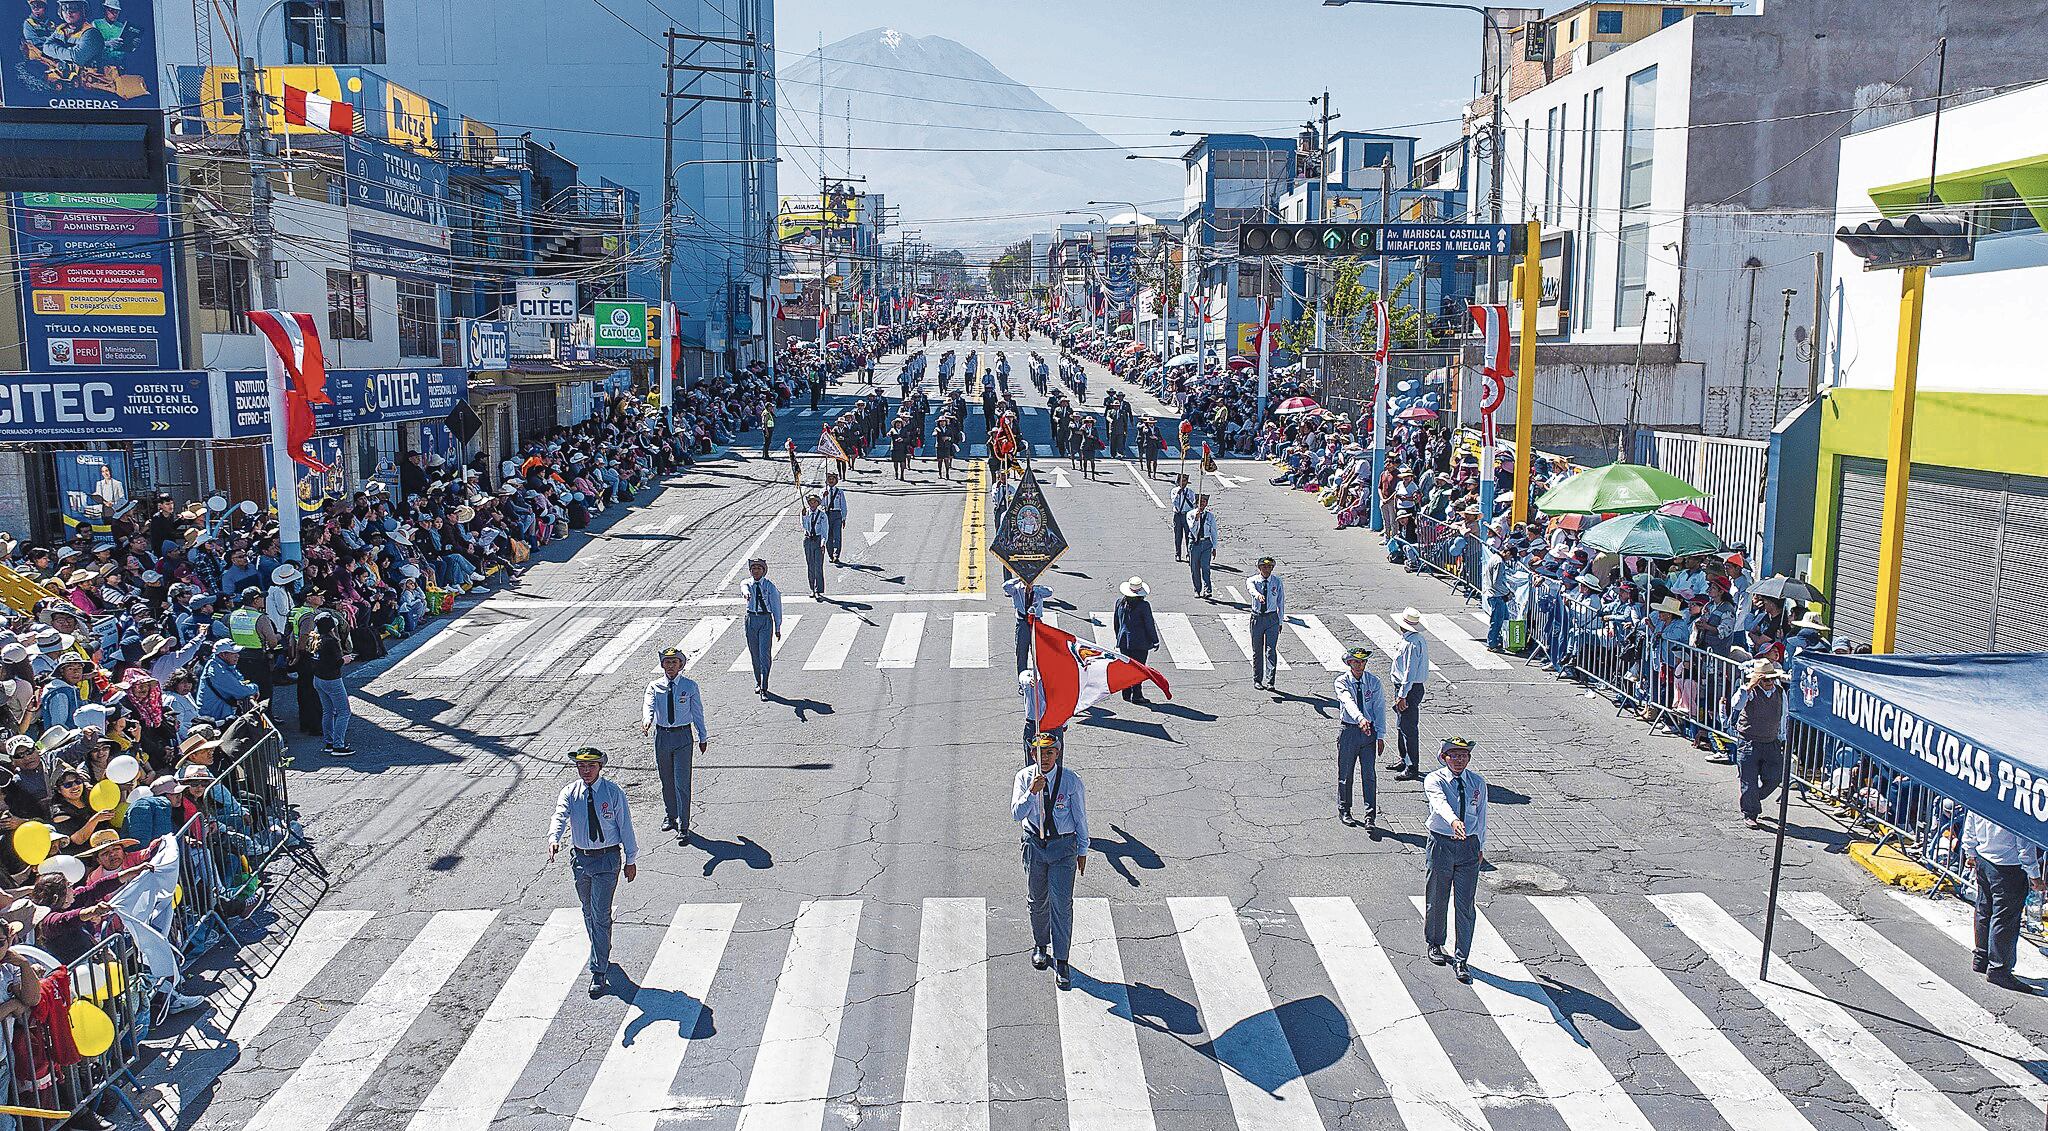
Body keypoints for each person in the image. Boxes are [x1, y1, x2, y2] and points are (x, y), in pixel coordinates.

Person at [548, 747, 637, 999]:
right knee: (588, 910)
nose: (585, 771)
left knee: (599, 913)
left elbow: (625, 827)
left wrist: (631, 858)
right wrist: (554, 838)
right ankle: (601, 946)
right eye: (581, 767)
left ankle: (598, 971)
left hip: (607, 859)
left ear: (600, 767)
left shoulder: (613, 793)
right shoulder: (570, 792)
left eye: (590, 766)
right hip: (581, 860)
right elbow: (560, 816)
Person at [1012, 732, 1088, 991]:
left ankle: (1062, 958)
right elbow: (1016, 814)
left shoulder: (1070, 781)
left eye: (1050, 753)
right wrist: (1032, 793)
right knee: (1037, 899)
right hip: (1035, 844)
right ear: (1032, 754)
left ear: (1057, 753)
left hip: (1063, 847)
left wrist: (1083, 850)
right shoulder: (1024, 778)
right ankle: (1040, 944)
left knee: (1062, 903)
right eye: (1039, 753)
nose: (1044, 758)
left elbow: (1080, 817)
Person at [1423, 737, 1486, 984]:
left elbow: (1481, 815)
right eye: (1454, 755)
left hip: (1468, 847)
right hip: (1442, 843)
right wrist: (1453, 821)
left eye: (1464, 756)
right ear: (1444, 757)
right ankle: (1435, 943)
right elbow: (1438, 803)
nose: (1459, 760)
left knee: (1465, 905)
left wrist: (1480, 844)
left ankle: (1462, 958)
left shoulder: (1477, 783)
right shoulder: (1435, 779)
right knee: (1437, 897)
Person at [1963, 811, 2044, 993]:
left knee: (1984, 910)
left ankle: (1982, 957)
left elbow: (1970, 822)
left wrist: (1970, 850)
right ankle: (1999, 969)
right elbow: (2024, 844)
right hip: (2008, 867)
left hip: (1984, 859)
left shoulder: (1986, 795)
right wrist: (2035, 875)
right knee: (2004, 919)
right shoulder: (2016, 804)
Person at [641, 647, 710, 843]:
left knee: (682, 782)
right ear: (662, 665)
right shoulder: (655, 686)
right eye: (667, 662)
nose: (670, 666)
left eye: (674, 662)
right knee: (666, 780)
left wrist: (702, 737)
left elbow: (697, 712)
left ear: (680, 665)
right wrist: (647, 720)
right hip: (662, 736)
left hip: (682, 737)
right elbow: (649, 705)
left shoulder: (690, 686)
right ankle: (670, 815)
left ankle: (684, 825)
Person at [1730, 658, 1789, 830]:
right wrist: (1749, 686)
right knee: (1748, 779)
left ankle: (1754, 798)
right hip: (1748, 741)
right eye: (1765, 679)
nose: (1769, 682)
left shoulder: (1779, 692)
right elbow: (1736, 704)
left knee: (1775, 776)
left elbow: (1783, 714)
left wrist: (1782, 737)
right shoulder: (1748, 692)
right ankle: (1750, 813)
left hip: (1771, 742)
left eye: (1771, 678)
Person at [1335, 646, 1386, 832]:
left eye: (1362, 661)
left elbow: (1379, 709)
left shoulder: (1373, 682)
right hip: (1350, 730)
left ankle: (1370, 815)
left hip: (1368, 733)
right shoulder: (1342, 681)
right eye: (1356, 661)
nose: (1359, 665)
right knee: (1346, 773)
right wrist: (1360, 719)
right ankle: (1345, 809)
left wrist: (1380, 735)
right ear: (1349, 663)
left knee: (1369, 775)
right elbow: (1348, 701)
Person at [1389, 608, 1430, 781]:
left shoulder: (1412, 644)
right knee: (1401, 726)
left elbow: (1409, 672)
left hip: (1409, 689)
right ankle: (1403, 758)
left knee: (1408, 729)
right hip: (1407, 688)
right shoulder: (1413, 639)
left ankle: (1412, 766)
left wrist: (1402, 695)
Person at [739, 558, 782, 697]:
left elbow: (776, 606)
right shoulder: (747, 583)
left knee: (764, 655)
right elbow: (743, 587)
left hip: (765, 620)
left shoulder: (769, 586)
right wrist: (746, 594)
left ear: (763, 571)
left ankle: (764, 686)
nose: (756, 571)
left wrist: (777, 627)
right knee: (754, 654)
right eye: (753, 568)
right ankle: (758, 681)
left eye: (759, 568)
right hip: (751, 619)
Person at [1112, 577, 1159, 703]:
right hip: (1140, 642)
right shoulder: (1143, 606)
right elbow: (1149, 624)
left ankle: (1126, 692)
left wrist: (1118, 637)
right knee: (1139, 669)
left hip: (1123, 641)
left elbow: (1116, 622)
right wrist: (1155, 640)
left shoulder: (1120, 602)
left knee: (1127, 667)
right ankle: (1137, 695)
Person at [1247, 555, 1284, 691]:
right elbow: (1251, 590)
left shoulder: (1277, 582)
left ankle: (1270, 681)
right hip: (1257, 618)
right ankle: (1257, 679)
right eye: (1264, 566)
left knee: (1270, 650)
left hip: (1272, 618)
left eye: (1269, 567)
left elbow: (1281, 602)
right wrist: (1258, 595)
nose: (1267, 569)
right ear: (1259, 568)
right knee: (1257, 650)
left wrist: (1280, 621)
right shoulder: (1253, 580)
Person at [1003, 574, 1050, 673]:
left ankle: (1040, 678)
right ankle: (1022, 679)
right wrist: (1019, 579)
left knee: (1039, 653)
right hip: (1023, 623)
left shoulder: (1038, 591)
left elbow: (1049, 592)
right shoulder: (1017, 589)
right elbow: (1005, 586)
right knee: (1022, 653)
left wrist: (1034, 588)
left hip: (1036, 623)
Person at [1186, 495, 1217, 600]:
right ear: (1196, 503)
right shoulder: (1190, 514)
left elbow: (1213, 532)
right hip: (1195, 543)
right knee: (1194, 568)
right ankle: (1197, 589)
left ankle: (1208, 589)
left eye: (1204, 502)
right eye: (1200, 502)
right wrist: (1196, 519)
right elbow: (1193, 530)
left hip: (1206, 543)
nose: (1202, 504)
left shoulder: (1210, 516)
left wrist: (1214, 547)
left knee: (1206, 567)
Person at [799, 494, 829, 599]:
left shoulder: (822, 515)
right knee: (810, 565)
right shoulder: (806, 513)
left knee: (818, 566)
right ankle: (812, 588)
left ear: (818, 503)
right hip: (808, 540)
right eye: (810, 502)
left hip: (818, 540)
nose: (812, 504)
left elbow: (825, 530)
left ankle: (818, 589)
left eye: (814, 502)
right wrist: (803, 517)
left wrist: (823, 542)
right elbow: (805, 526)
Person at [822, 471, 849, 565]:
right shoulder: (823, 491)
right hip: (827, 514)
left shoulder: (839, 492)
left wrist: (844, 517)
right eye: (829, 479)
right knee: (828, 536)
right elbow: (820, 504)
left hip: (837, 515)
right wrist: (823, 496)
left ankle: (836, 555)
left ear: (836, 481)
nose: (831, 480)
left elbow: (843, 505)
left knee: (837, 536)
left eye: (832, 479)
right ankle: (830, 555)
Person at [1170, 474, 1196, 561]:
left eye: (1185, 481)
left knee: (1188, 536)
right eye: (1181, 481)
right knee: (1178, 536)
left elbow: (1193, 504)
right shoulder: (1174, 491)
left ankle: (1189, 553)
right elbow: (1174, 502)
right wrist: (1178, 494)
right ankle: (1178, 554)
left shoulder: (1190, 492)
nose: (1183, 483)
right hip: (1178, 515)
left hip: (1187, 515)